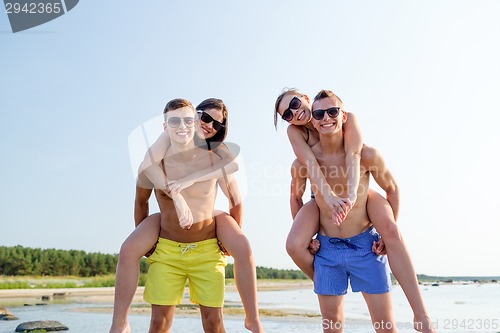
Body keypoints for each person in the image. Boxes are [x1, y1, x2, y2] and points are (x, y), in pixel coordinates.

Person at [275, 89, 435, 333]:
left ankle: (421, 316)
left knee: (385, 327)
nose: (295, 112)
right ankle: (326, 280)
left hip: (364, 244)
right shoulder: (300, 148)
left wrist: (378, 230)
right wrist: (310, 238)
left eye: (332, 112)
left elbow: (384, 181)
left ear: (343, 115)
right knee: (332, 326)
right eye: (287, 113)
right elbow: (299, 186)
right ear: (313, 121)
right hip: (328, 248)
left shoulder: (364, 150)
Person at [110, 99, 263, 333]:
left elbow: (235, 199)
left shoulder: (214, 156)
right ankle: (119, 323)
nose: (208, 125)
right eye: (204, 117)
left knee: (213, 322)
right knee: (159, 322)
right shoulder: (159, 155)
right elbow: (141, 201)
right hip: (168, 247)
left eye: (216, 124)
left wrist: (229, 239)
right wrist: (149, 243)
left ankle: (253, 319)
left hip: (206, 248)